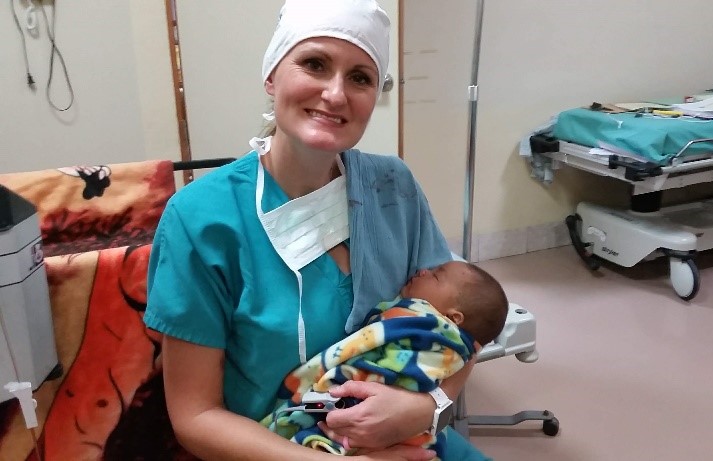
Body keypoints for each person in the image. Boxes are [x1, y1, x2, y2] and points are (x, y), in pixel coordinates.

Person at [144, 0, 493, 460]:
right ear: (272, 77)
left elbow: (462, 334)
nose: (335, 94)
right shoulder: (201, 219)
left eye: (360, 78)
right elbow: (195, 417)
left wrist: (429, 406)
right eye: (314, 64)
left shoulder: (393, 189)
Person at [263, 261, 509, 458]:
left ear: (453, 318)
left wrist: (430, 406)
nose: (423, 269)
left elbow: (471, 348)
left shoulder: (435, 335)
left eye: (435, 276)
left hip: (398, 427)